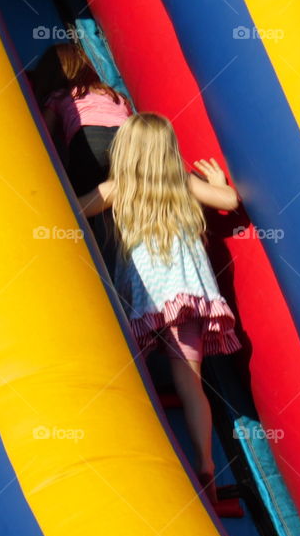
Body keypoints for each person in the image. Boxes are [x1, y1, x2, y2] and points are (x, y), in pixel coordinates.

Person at [78, 113, 241, 502]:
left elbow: (74, 208)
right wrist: (217, 183)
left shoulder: (118, 187)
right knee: (190, 382)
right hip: (185, 296)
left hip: (146, 299)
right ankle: (205, 462)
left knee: (129, 374)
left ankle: (141, 459)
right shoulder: (183, 182)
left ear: (126, 152)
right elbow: (231, 201)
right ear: (169, 151)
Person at [32, 42, 132, 196]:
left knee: (79, 193)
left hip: (91, 140)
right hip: (128, 140)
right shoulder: (111, 93)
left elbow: (44, 135)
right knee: (126, 191)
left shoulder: (59, 96)